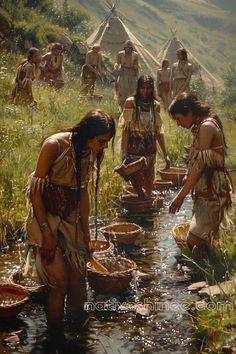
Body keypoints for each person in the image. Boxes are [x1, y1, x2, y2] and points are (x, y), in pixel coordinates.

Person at [25, 110, 116, 336]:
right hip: (44, 217)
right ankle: (55, 338)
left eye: (106, 143)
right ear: (87, 134)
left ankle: (79, 333)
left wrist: (85, 235)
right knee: (60, 282)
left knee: (78, 278)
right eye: (101, 141)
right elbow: (35, 193)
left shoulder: (89, 151)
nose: (103, 147)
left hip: (70, 219)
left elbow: (82, 193)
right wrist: (46, 232)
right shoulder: (54, 146)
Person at [168, 93, 232, 257]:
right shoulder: (199, 127)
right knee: (205, 237)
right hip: (204, 190)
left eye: (178, 118)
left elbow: (200, 165)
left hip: (213, 190)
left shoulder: (207, 126)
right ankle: (212, 264)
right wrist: (188, 177)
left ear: (189, 112)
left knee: (194, 240)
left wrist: (180, 196)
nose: (178, 123)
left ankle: (211, 269)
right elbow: (196, 163)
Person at [119, 75, 170, 198]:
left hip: (150, 147)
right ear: (138, 88)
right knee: (136, 177)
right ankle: (139, 205)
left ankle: (147, 208)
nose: (145, 91)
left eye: (148, 88)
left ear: (152, 89)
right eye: (143, 88)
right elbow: (126, 130)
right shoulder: (131, 102)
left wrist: (165, 154)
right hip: (134, 146)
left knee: (149, 180)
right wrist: (124, 153)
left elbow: (158, 131)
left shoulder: (155, 105)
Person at [114, 40, 139, 109]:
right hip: (123, 76)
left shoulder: (135, 55)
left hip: (132, 77)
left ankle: (130, 110)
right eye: (127, 48)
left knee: (132, 94)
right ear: (125, 48)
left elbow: (137, 68)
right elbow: (117, 67)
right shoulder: (120, 54)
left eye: (130, 48)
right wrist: (116, 80)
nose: (129, 49)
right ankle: (122, 110)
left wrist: (138, 79)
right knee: (122, 94)